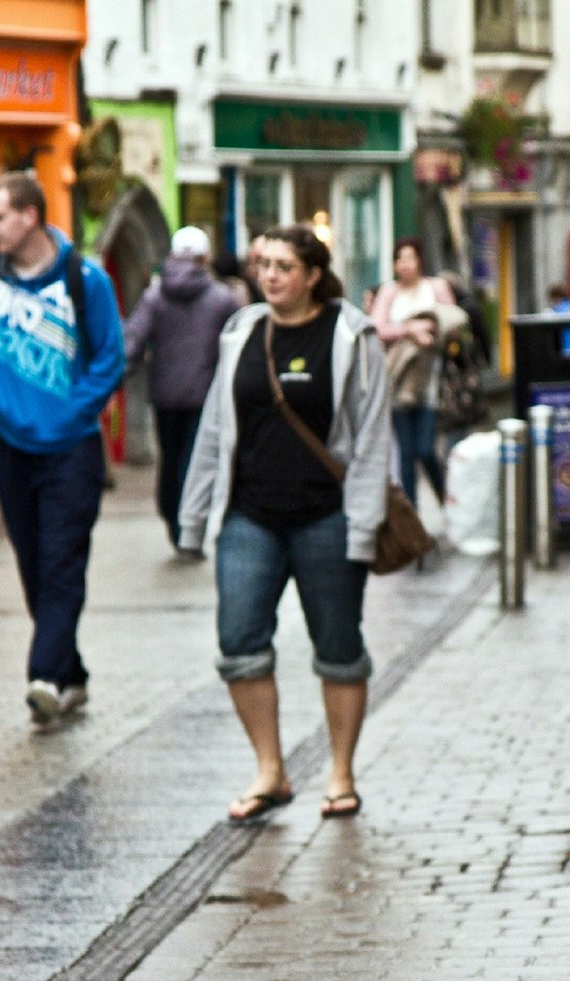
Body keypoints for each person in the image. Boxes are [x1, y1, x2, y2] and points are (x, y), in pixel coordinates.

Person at [176, 224, 392, 824]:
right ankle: (270, 770)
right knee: (239, 642)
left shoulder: (352, 335)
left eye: (284, 266)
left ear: (313, 275)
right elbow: (215, 430)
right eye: (263, 264)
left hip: (328, 516)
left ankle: (341, 773)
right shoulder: (242, 331)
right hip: (250, 516)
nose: (270, 276)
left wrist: (365, 525)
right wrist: (193, 518)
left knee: (339, 648)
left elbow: (373, 441)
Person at [0, 171, 125, 726]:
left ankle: (45, 676)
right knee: (33, 564)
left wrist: (73, 409)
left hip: (73, 449)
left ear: (29, 217)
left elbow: (110, 357)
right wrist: (6, 401)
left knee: (61, 562)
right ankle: (71, 671)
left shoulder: (85, 279)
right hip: (12, 447)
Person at [124, 226, 242, 552]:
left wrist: (111, 379)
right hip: (206, 394)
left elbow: (133, 339)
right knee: (196, 460)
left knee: (170, 458)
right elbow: (243, 342)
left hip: (165, 394)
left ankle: (173, 518)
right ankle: (190, 526)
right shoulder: (220, 298)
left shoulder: (155, 295)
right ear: (205, 257)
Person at [369, 238, 457, 507]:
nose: (404, 264)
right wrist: (409, 330)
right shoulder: (389, 292)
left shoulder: (436, 287)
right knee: (406, 453)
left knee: (426, 448)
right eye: (399, 259)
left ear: (420, 260)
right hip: (398, 379)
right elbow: (376, 328)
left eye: (409, 257)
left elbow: (455, 321)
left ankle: (445, 498)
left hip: (432, 379)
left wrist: (430, 332)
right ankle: (412, 516)